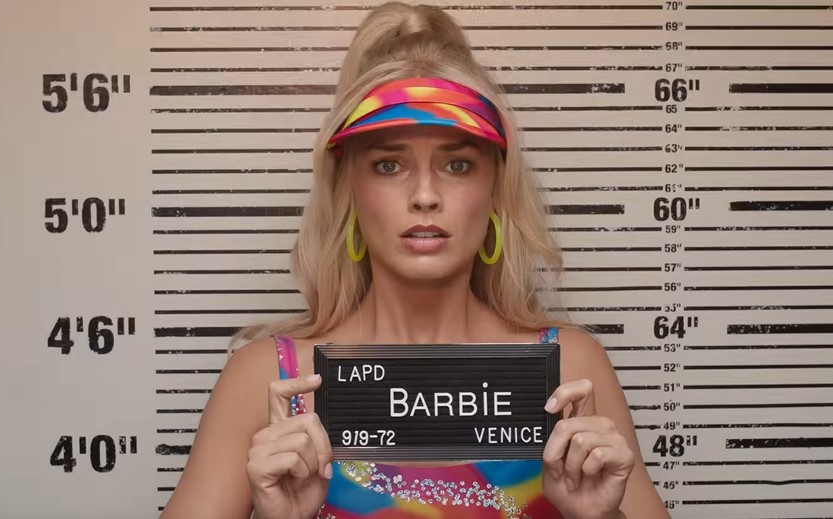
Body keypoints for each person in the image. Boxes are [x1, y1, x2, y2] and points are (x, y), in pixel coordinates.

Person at [159, 3, 671, 518]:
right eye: (389, 165)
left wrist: (600, 517)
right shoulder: (270, 380)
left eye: (458, 164)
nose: (425, 195)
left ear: (496, 188)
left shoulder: (569, 371)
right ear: (348, 189)